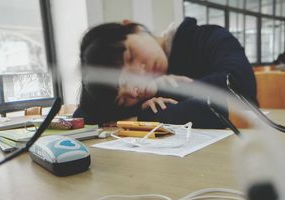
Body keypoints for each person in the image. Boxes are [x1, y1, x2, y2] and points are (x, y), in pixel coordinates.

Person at [73, 17, 257, 128]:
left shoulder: (208, 38)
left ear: (132, 27)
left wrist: (151, 110)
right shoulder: (137, 95)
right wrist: (139, 110)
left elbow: (238, 88)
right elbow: (83, 116)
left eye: (130, 57)